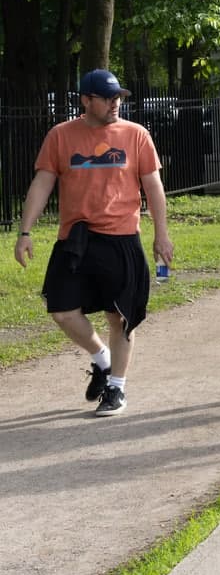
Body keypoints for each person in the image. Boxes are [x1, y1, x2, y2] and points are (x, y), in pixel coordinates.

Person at [13, 69, 173, 417]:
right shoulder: (61, 136)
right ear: (86, 100)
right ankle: (102, 360)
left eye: (119, 98)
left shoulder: (136, 135)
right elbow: (42, 183)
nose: (116, 104)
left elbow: (154, 187)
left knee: (121, 317)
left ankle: (116, 388)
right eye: (107, 98)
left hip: (121, 238)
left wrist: (162, 234)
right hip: (76, 240)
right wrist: (25, 232)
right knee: (61, 309)